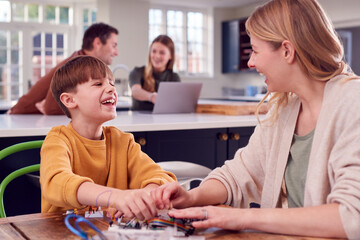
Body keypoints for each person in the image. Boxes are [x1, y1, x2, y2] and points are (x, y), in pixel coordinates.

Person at [152, 0, 360, 239]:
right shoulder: (285, 108)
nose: (251, 62)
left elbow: (350, 217)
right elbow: (239, 174)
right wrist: (192, 197)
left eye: (256, 50)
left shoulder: (353, 102)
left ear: (286, 51)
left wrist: (241, 218)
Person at [40, 56, 176, 220]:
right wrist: (117, 197)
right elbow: (56, 182)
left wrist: (143, 197)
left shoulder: (122, 142)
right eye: (98, 84)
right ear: (69, 100)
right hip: (61, 233)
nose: (112, 89)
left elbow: (163, 178)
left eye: (112, 83)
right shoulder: (58, 139)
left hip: (110, 231)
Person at [8, 22, 119, 115]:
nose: (116, 52)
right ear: (97, 43)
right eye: (114, 45)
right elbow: (50, 108)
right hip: (22, 122)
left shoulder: (81, 61)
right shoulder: (78, 65)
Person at [129, 35, 180, 111]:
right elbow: (135, 91)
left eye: (162, 53)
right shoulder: (137, 72)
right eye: (154, 51)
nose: (157, 56)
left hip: (163, 120)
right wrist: (152, 97)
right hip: (139, 120)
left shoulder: (174, 77)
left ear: (171, 56)